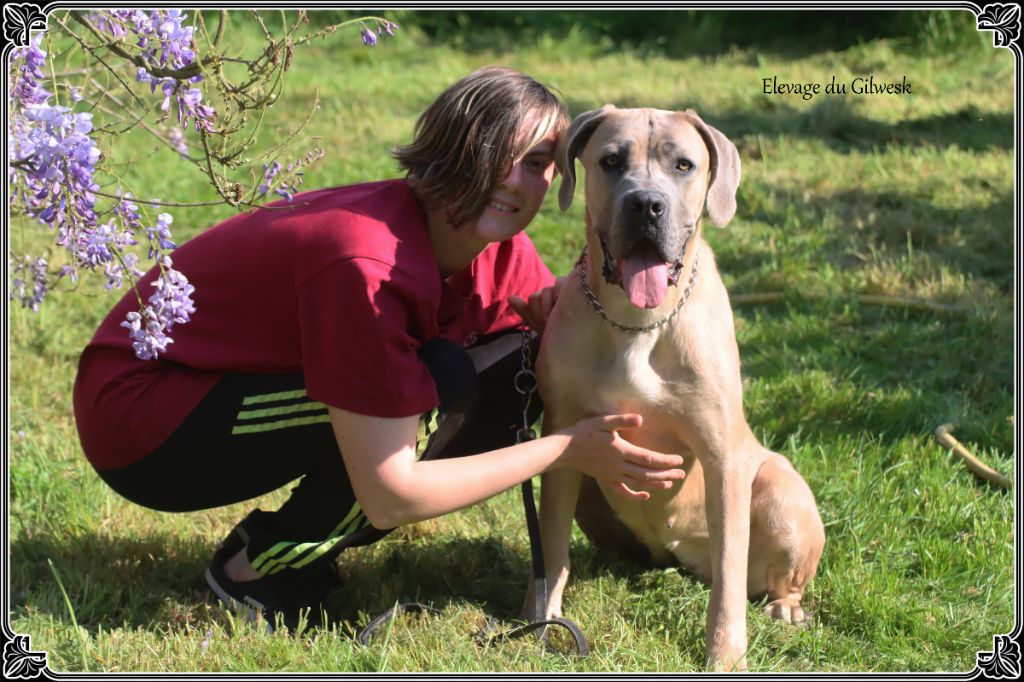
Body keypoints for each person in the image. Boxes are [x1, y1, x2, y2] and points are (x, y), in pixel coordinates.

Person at [72, 66, 685, 632]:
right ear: (447, 150)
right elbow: (392, 493)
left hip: (216, 390)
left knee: (516, 366)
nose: (512, 178)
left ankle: (305, 546)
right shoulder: (365, 262)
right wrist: (566, 449)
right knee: (433, 385)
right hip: (145, 420)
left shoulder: (494, 245)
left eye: (536, 161)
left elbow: (537, 358)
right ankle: (253, 571)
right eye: (493, 152)